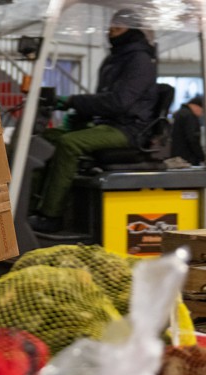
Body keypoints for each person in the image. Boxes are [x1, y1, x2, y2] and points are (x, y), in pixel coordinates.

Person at [29, 9, 158, 233]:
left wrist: (73, 101)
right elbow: (103, 99)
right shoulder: (115, 58)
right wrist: (79, 114)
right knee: (46, 139)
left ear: (133, 28)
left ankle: (51, 216)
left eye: (118, 26)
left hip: (129, 130)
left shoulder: (140, 60)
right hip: (107, 123)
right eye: (111, 26)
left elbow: (119, 102)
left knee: (70, 144)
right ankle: (29, 208)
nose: (111, 30)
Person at [170, 95, 205, 166]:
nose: (201, 114)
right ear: (197, 106)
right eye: (202, 111)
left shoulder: (181, 113)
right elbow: (193, 138)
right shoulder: (190, 116)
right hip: (188, 158)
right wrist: (201, 156)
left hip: (178, 156)